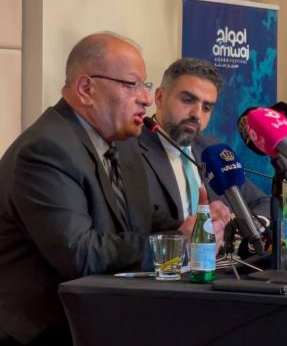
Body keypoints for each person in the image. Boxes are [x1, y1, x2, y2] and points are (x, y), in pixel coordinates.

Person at [0, 33, 230, 346]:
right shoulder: (46, 150)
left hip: (109, 321)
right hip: (47, 332)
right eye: (131, 84)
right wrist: (177, 244)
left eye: (145, 85)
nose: (145, 98)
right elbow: (80, 255)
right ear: (86, 89)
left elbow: (144, 220)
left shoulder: (123, 145)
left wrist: (196, 229)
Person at [138, 57, 270, 227]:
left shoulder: (212, 150)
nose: (197, 114)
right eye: (187, 100)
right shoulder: (130, 149)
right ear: (160, 98)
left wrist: (240, 227)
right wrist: (188, 233)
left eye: (206, 107)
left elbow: (263, 203)